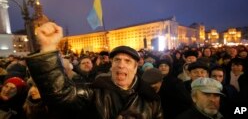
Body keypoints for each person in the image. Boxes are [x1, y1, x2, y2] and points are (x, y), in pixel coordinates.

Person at [26, 22, 163, 119]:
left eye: (127, 61)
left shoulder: (151, 100)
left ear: (135, 68)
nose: (121, 65)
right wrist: (48, 47)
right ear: (111, 66)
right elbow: (61, 93)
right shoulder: (93, 92)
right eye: (116, 60)